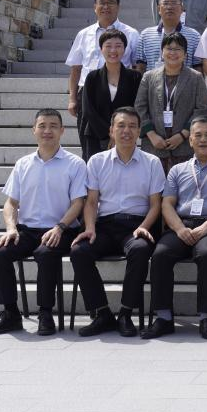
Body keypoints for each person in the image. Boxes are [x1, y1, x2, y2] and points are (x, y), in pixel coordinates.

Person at [0, 109, 87, 336]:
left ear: (62, 131)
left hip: (62, 229)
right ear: (34, 130)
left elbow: (78, 203)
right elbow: (11, 203)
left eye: (53, 126)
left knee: (45, 253)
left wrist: (60, 227)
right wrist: (11, 228)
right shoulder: (23, 164)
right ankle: (10, 313)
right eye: (42, 126)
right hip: (28, 230)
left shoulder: (75, 164)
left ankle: (45, 312)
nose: (47, 131)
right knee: (0, 254)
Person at [142, 115, 207, 340]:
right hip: (182, 225)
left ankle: (206, 317)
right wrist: (179, 229)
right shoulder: (177, 170)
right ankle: (164, 317)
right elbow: (167, 204)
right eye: (198, 135)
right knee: (160, 254)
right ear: (190, 140)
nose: (203, 139)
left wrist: (205, 227)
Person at [68, 107, 164, 337]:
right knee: (79, 251)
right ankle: (102, 313)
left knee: (139, 250)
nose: (126, 131)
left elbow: (156, 205)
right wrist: (90, 227)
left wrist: (144, 227)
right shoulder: (97, 161)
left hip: (136, 226)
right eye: (121, 126)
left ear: (139, 132)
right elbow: (91, 202)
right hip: (104, 226)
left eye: (132, 126)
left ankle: (125, 313)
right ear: (111, 130)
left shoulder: (152, 162)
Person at [133, 33, 207, 174]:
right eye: (169, 48)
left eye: (178, 49)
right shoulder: (149, 77)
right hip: (154, 144)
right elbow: (139, 107)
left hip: (185, 145)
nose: (173, 53)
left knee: (183, 183)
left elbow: (201, 109)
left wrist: (183, 135)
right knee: (154, 184)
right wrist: (151, 134)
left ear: (185, 54)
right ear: (162, 52)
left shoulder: (196, 78)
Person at [65, 0, 139, 120]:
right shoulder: (83, 34)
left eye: (110, 3)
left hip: (121, 91)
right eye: (102, 3)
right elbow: (76, 68)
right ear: (95, 7)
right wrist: (72, 99)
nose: (106, 6)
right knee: (88, 131)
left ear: (118, 7)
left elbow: (137, 67)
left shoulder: (131, 33)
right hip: (88, 92)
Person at [77, 28, 142, 161]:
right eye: (108, 46)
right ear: (101, 49)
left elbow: (136, 107)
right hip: (96, 134)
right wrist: (110, 133)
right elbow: (88, 110)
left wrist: (119, 132)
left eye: (118, 46)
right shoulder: (92, 77)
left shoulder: (134, 77)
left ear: (124, 49)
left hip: (125, 136)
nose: (113, 50)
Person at [135, 0, 202, 72]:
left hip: (184, 80)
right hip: (153, 80)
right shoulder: (146, 35)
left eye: (174, 3)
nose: (169, 7)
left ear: (182, 9)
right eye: (165, 3)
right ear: (159, 9)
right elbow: (140, 67)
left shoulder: (194, 36)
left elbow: (198, 67)